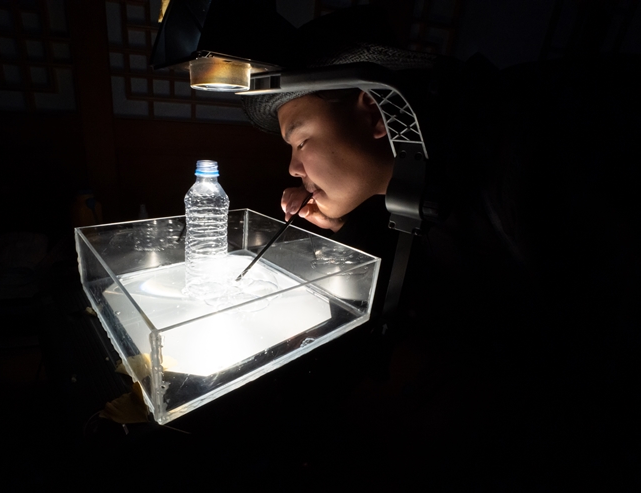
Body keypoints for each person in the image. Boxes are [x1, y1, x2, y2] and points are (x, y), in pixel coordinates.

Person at [240, 6, 641, 489]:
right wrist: (343, 224)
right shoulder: (424, 172)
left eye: (301, 141)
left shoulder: (522, 151)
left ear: (374, 113)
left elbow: (596, 346)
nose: (292, 167)